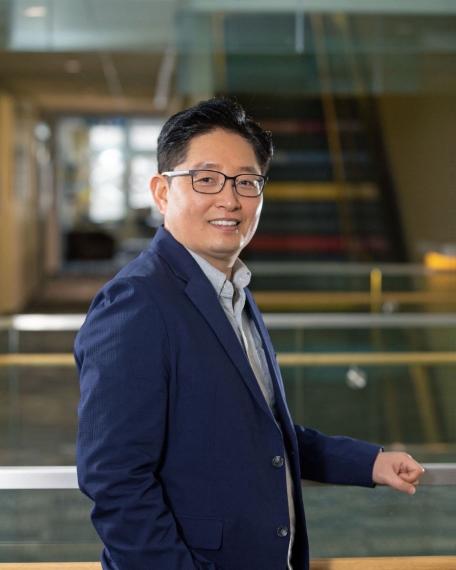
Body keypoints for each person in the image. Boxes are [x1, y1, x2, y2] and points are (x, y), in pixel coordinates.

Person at [75, 98, 424, 570]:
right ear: (162, 192)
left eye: (247, 181)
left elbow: (258, 433)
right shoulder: (137, 303)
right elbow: (114, 479)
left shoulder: (230, 289)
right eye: (206, 178)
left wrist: (367, 462)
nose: (230, 199)